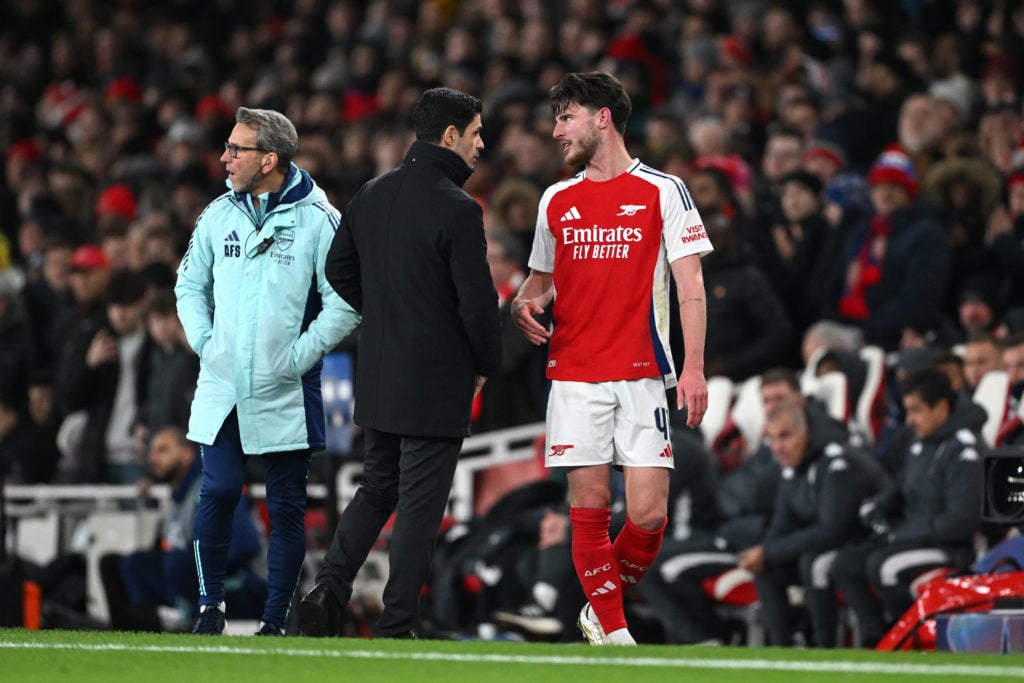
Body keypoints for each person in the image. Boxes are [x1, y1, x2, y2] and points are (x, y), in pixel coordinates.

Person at [511, 72, 712, 646]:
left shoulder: (663, 190)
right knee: (591, 505)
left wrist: (693, 367)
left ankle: (600, 609)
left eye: (566, 117)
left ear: (603, 117)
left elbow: (691, 286)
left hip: (644, 373)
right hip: (574, 374)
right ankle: (615, 632)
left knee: (648, 516)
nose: (556, 131)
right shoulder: (556, 198)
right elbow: (540, 282)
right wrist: (526, 304)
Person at [298, 87, 502, 639]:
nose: (484, 144)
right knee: (418, 502)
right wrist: (486, 362)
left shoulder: (373, 193)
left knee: (376, 488)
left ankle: (327, 590)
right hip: (437, 378)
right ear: (451, 135)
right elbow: (478, 305)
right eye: (477, 132)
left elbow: (339, 270)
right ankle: (398, 623)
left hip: (381, 371)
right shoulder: (458, 208)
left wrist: (385, 313)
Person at [175, 107, 361, 636]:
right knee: (218, 490)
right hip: (224, 381)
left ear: (270, 159)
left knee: (286, 506)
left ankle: (275, 620)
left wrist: (298, 358)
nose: (225, 157)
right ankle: (210, 608)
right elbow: (188, 285)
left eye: (237, 149)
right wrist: (206, 343)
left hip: (286, 387)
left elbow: (346, 301)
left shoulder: (320, 220)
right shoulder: (218, 214)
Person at [831, 366, 985, 647]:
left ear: (941, 407)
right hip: (914, 537)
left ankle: (909, 642)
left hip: (952, 547)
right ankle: (874, 639)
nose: (910, 420)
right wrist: (877, 507)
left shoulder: (964, 450)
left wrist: (900, 535)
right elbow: (902, 489)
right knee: (845, 564)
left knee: (885, 565)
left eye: (916, 410)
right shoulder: (919, 444)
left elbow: (960, 521)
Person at [739, 401, 888, 647]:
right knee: (765, 568)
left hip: (865, 543)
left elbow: (833, 531)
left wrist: (770, 552)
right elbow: (781, 526)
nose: (778, 447)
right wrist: (764, 554)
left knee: (813, 561)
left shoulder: (837, 462)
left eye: (785, 436)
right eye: (772, 439)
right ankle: (781, 654)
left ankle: (823, 649)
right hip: (831, 544)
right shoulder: (792, 468)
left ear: (805, 433)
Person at [99, 426, 267, 632]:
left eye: (163, 450)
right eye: (152, 451)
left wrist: (195, 563)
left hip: (245, 585)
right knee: (122, 564)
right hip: (195, 580)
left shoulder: (213, 486)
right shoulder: (177, 496)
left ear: (187, 453)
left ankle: (185, 621)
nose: (153, 458)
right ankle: (144, 628)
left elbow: (245, 544)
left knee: (177, 562)